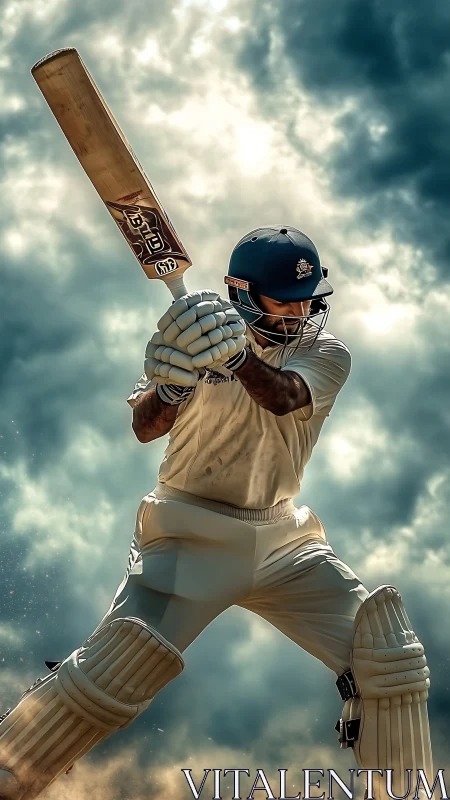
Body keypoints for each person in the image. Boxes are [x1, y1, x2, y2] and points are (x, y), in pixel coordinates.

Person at [0, 227, 432, 800]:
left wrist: (236, 357)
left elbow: (281, 396)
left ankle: (410, 793)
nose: (300, 312)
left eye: (307, 299)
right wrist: (170, 390)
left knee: (388, 657)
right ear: (242, 292)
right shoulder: (191, 336)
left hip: (285, 542)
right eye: (285, 300)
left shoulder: (327, 354)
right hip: (188, 532)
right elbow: (144, 427)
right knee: (113, 670)